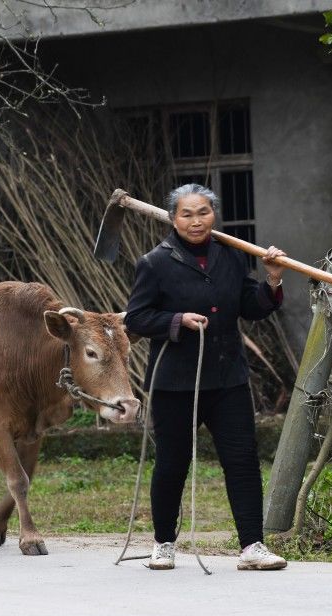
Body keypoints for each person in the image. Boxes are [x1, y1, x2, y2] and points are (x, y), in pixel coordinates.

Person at [124, 183, 288, 571]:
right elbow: (136, 318)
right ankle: (164, 543)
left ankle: (252, 546)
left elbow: (250, 306)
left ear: (213, 214)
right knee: (172, 463)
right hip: (175, 382)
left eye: (203, 212)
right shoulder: (154, 262)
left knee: (242, 460)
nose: (196, 221)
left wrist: (273, 280)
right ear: (172, 218)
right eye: (187, 214)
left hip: (227, 376)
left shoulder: (231, 255)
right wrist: (177, 320)